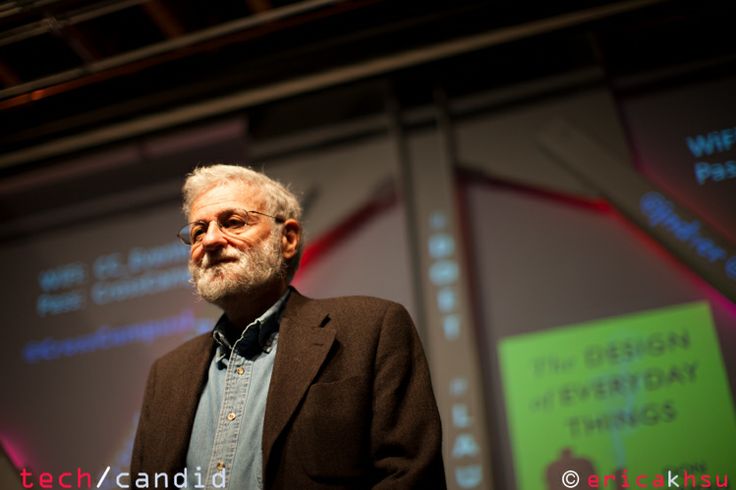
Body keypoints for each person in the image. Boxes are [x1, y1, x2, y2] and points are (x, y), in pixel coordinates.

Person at [130, 164, 446, 489]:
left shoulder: (371, 329)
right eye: (198, 231)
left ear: (288, 239)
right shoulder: (166, 375)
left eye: (233, 222)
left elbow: (411, 476)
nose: (210, 240)